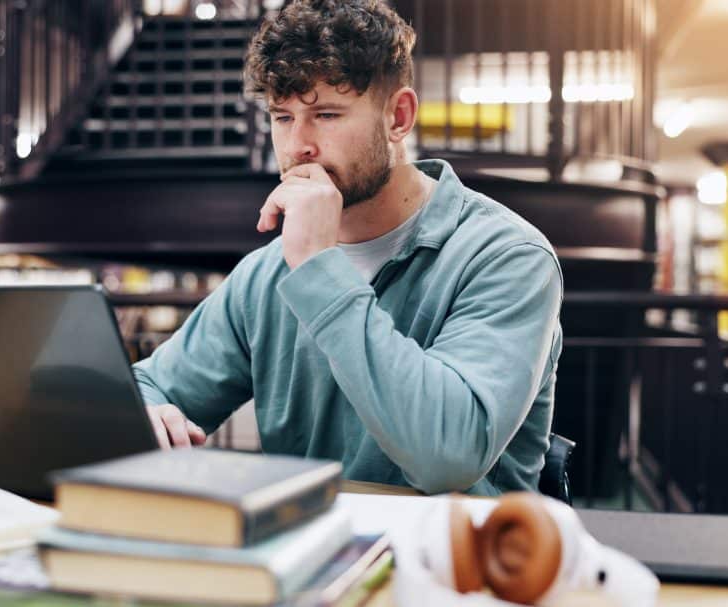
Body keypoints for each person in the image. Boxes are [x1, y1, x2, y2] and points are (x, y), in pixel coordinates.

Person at [134, 0, 563, 495]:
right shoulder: (266, 274)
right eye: (282, 117)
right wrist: (146, 412)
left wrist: (319, 267)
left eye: (326, 114)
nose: (298, 146)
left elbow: (447, 457)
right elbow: (151, 385)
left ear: (398, 117)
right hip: (310, 554)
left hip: (452, 563)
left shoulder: (507, 256)